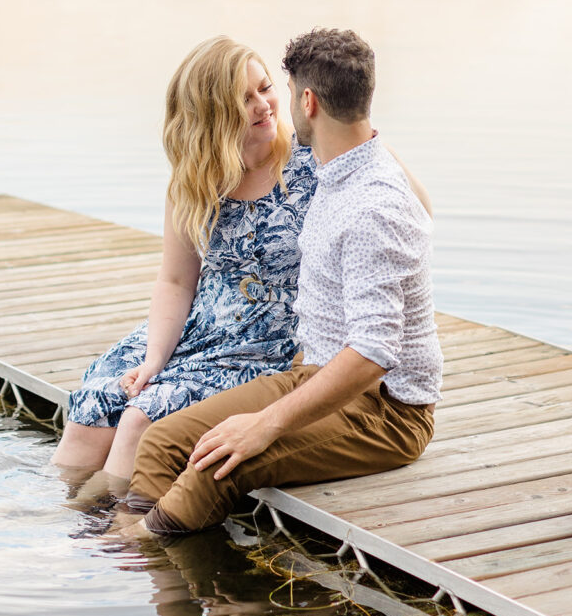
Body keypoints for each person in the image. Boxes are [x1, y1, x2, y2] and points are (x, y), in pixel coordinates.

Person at [123, 28, 444, 535]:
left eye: (283, 91)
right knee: (163, 441)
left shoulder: (372, 206)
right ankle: (134, 558)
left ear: (308, 101)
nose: (277, 108)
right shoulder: (330, 169)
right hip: (314, 373)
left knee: (216, 464)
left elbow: (373, 355)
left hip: (386, 411)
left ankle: (112, 563)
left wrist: (264, 425)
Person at [51, 36, 317, 484]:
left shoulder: (314, 164)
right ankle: (56, 523)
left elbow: (409, 206)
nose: (263, 105)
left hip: (267, 344)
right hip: (197, 328)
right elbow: (175, 281)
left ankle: (109, 541)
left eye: (265, 88)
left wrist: (371, 142)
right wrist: (156, 357)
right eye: (243, 99)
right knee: (99, 396)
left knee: (140, 418)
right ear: (212, 114)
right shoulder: (195, 179)